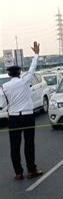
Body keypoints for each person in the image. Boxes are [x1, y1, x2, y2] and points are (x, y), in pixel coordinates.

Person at [1, 42, 43, 181]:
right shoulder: (24, 81)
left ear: (8, 74)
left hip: (13, 118)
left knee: (14, 146)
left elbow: (2, 104)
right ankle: (31, 170)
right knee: (29, 143)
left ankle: (18, 173)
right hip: (27, 116)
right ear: (19, 73)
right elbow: (32, 68)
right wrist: (36, 54)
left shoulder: (4, 87)